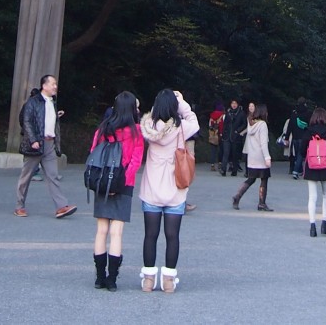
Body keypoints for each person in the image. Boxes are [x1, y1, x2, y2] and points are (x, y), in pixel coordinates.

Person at [139, 88, 199, 292]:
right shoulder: (181, 128)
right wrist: (181, 102)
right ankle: (168, 280)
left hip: (151, 190)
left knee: (150, 235)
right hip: (175, 190)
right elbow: (194, 120)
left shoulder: (148, 128)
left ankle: (148, 279)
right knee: (172, 236)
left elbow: (153, 115)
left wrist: (159, 105)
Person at [89, 90, 144, 291]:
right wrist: (119, 185)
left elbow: (93, 154)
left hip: (102, 184)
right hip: (123, 185)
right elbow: (135, 162)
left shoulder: (102, 129)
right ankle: (112, 279)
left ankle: (99, 277)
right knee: (117, 233)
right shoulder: (136, 132)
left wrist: (106, 184)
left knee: (101, 230)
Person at [15, 74, 77, 219]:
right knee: (26, 177)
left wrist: (56, 115)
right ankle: (19, 206)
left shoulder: (51, 102)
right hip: (36, 144)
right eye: (53, 84)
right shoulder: (33, 102)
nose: (55, 86)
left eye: (55, 84)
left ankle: (61, 207)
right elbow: (27, 121)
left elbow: (45, 119)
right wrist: (33, 139)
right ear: (44, 86)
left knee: (53, 176)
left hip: (49, 144)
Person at [302, 106, 326, 236]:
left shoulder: (308, 131)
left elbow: (302, 150)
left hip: (312, 166)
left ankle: (312, 226)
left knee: (312, 197)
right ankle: (324, 222)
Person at [233, 103, 272, 211]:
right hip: (261, 157)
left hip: (252, 156)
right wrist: (267, 157)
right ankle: (261, 203)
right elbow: (263, 143)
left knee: (251, 179)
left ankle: (237, 196)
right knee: (264, 179)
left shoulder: (251, 124)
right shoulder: (262, 125)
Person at [220, 97, 246, 177]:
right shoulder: (228, 112)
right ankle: (223, 169)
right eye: (232, 103)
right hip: (227, 136)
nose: (234, 105)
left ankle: (234, 170)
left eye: (235, 103)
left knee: (235, 154)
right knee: (226, 153)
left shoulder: (241, 113)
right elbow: (225, 124)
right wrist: (223, 133)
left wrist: (238, 131)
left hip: (235, 136)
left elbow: (244, 124)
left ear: (237, 104)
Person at [289, 98, 311, 179]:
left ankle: (300, 170)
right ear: (305, 104)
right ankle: (295, 171)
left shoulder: (294, 113)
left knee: (297, 154)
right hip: (304, 137)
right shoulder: (308, 114)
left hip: (295, 137)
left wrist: (287, 137)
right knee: (301, 154)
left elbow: (290, 126)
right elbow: (310, 125)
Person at [208, 102, 225, 170]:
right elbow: (222, 125)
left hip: (213, 135)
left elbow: (209, 125)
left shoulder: (212, 115)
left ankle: (212, 164)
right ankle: (220, 163)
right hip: (220, 134)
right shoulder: (222, 115)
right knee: (220, 150)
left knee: (213, 150)